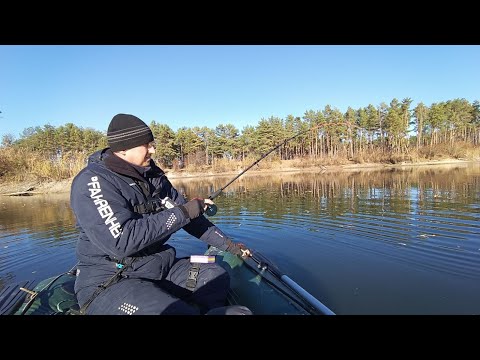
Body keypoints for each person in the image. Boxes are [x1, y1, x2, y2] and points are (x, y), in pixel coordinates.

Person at [70, 113, 252, 315]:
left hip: (157, 267)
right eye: (146, 145)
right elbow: (122, 241)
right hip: (110, 280)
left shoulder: (154, 177)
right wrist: (185, 211)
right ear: (123, 149)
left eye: (152, 144)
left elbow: (191, 219)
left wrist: (231, 246)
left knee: (214, 274)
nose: (153, 150)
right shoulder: (93, 182)